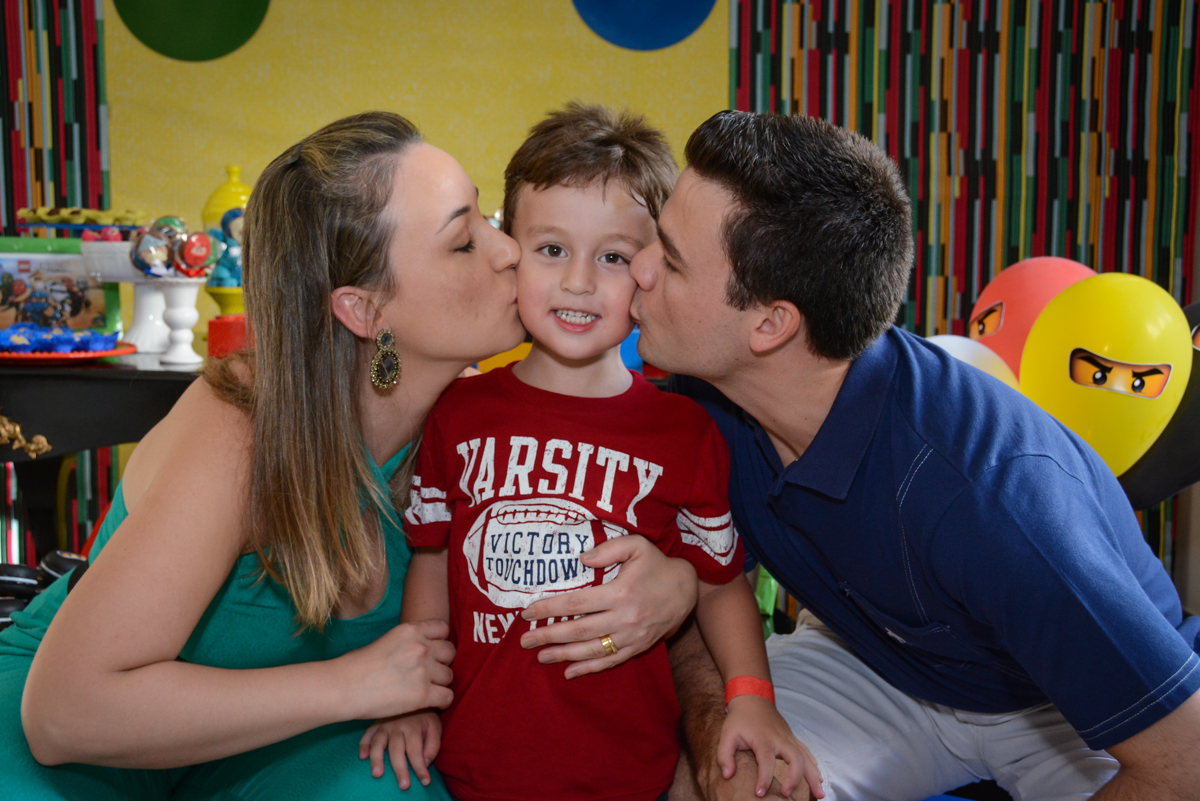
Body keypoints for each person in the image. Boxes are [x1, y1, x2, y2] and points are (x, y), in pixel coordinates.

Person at [0, 111, 698, 800]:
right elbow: (63, 716)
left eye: (488, 217)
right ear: (364, 311)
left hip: (276, 744)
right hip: (82, 742)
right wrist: (353, 684)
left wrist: (678, 588)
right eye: (464, 241)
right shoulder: (243, 422)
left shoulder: (480, 423)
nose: (510, 250)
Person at [628, 110, 1200, 801]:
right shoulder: (701, 398)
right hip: (873, 658)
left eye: (671, 259)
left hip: (1058, 707)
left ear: (772, 324)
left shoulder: (994, 498)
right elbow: (704, 590)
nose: (639, 268)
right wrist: (714, 716)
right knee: (718, 779)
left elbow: (1182, 759)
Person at [359, 103, 821, 801]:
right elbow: (433, 557)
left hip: (627, 771)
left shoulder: (685, 429)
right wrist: (414, 696)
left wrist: (752, 697)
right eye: (551, 249)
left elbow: (720, 583)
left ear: (650, 269)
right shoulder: (456, 412)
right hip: (474, 763)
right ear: (509, 250)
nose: (579, 281)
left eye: (612, 257)